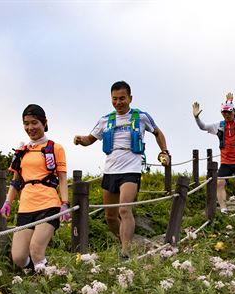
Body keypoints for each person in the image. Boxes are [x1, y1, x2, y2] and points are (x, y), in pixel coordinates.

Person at [73, 81, 170, 259]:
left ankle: (125, 252)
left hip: (131, 168)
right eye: (115, 99)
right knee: (110, 216)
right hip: (110, 169)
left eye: (122, 98)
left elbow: (158, 133)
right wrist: (80, 140)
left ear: (130, 98)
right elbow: (90, 139)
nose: (119, 102)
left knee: (124, 209)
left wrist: (164, 151)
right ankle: (125, 241)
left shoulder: (141, 116)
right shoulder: (105, 120)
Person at [0, 104, 70, 271]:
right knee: (18, 257)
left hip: (48, 204)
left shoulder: (55, 147)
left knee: (36, 249)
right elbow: (16, 181)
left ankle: (49, 285)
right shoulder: (21, 151)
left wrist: (64, 203)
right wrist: (8, 201)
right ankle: (40, 274)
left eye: (34, 123)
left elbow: (62, 177)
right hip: (26, 206)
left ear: (44, 123)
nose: (30, 127)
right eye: (26, 123)